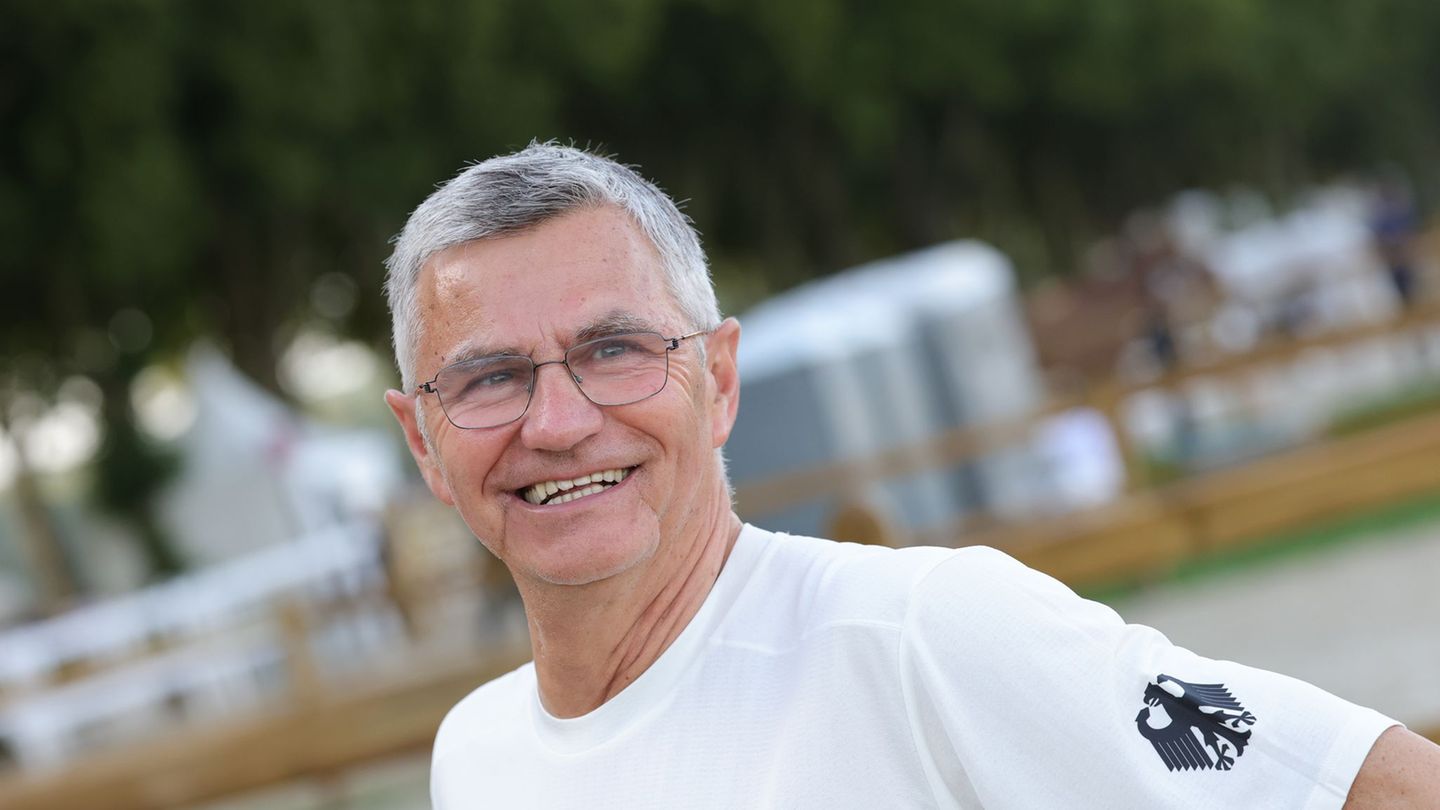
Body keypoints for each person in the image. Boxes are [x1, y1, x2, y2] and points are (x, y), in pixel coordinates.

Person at [383, 143, 1440, 809]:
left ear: (719, 377)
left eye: (614, 350)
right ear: (423, 442)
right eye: (488, 378)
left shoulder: (921, 635)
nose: (558, 421)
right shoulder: (476, 757)